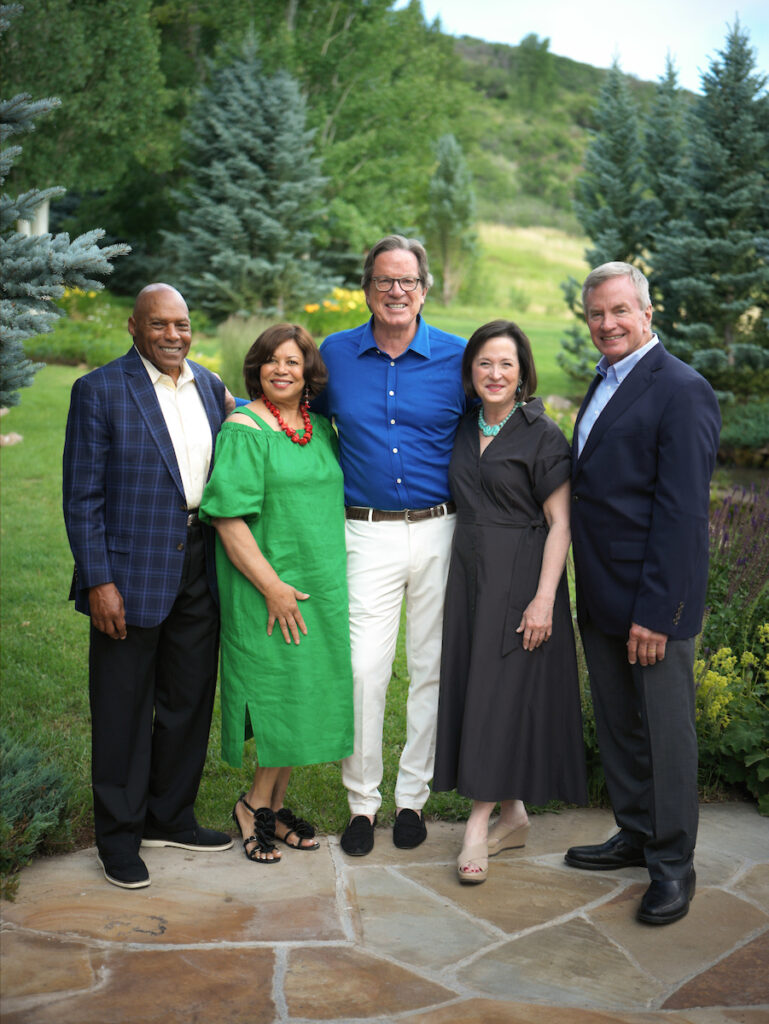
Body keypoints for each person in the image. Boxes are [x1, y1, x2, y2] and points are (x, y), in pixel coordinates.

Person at [62, 283, 234, 891]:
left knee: (188, 701)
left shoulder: (211, 388)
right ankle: (119, 837)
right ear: (134, 327)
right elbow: (82, 499)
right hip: (129, 573)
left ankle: (170, 816)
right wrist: (99, 579)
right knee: (122, 707)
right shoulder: (100, 391)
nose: (173, 336)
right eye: (159, 325)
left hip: (199, 565)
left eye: (182, 324)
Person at [565, 262, 721, 925]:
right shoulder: (603, 381)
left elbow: (683, 514)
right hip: (600, 593)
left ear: (647, 313)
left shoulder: (680, 389)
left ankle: (671, 865)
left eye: (619, 311)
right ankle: (633, 831)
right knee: (620, 727)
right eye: (596, 314)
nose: (608, 324)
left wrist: (659, 613)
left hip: (652, 601)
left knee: (664, 735)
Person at [313, 235, 468, 856]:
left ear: (424, 289)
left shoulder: (459, 357)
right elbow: (295, 408)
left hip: (441, 530)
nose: (396, 292)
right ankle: (361, 803)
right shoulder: (336, 353)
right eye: (384, 281)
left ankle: (412, 800)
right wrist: (229, 403)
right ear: (367, 288)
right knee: (363, 670)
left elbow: (497, 422)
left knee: (429, 667)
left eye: (407, 281)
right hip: (365, 531)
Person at [433, 320, 587, 884]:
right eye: (484, 364)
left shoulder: (542, 434)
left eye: (506, 364)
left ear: (523, 373)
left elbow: (560, 523)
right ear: (470, 372)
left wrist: (544, 599)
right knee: (482, 694)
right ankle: (513, 814)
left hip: (521, 579)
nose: (494, 374)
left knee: (499, 698)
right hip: (470, 577)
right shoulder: (460, 428)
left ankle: (476, 826)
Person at [200, 324, 353, 863]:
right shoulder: (245, 428)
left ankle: (276, 804)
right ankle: (253, 805)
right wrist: (272, 587)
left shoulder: (318, 428)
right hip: (266, 585)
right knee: (277, 693)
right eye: (270, 361)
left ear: (309, 372)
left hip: (317, 584)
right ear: (256, 368)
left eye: (293, 362)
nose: (281, 370)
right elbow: (227, 518)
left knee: (301, 694)